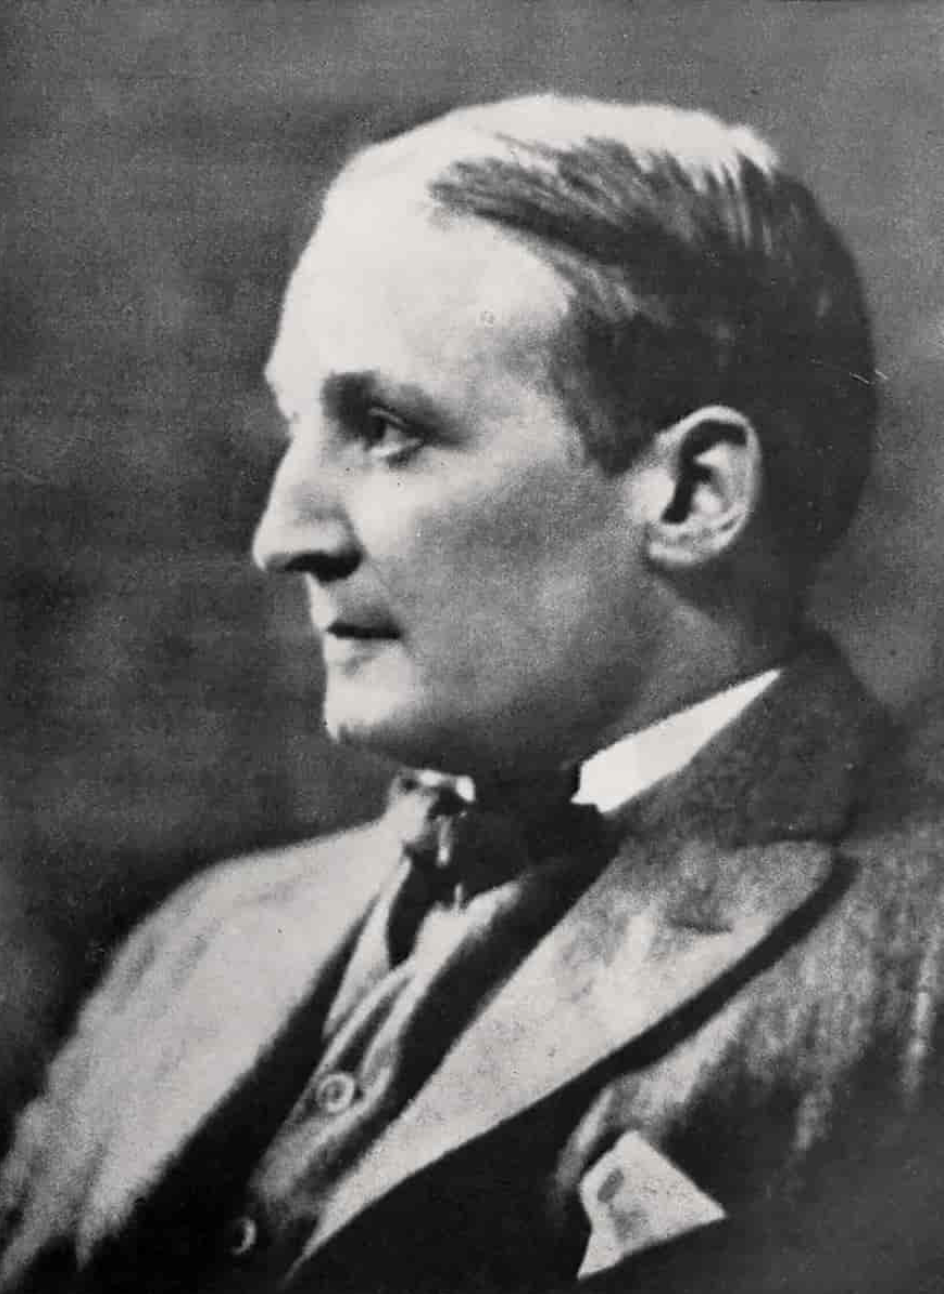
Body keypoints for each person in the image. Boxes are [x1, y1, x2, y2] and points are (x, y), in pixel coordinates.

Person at [0, 95, 939, 1293]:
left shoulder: (922, 972)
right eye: (296, 426)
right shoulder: (197, 940)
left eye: (386, 428)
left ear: (693, 494)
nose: (282, 535)